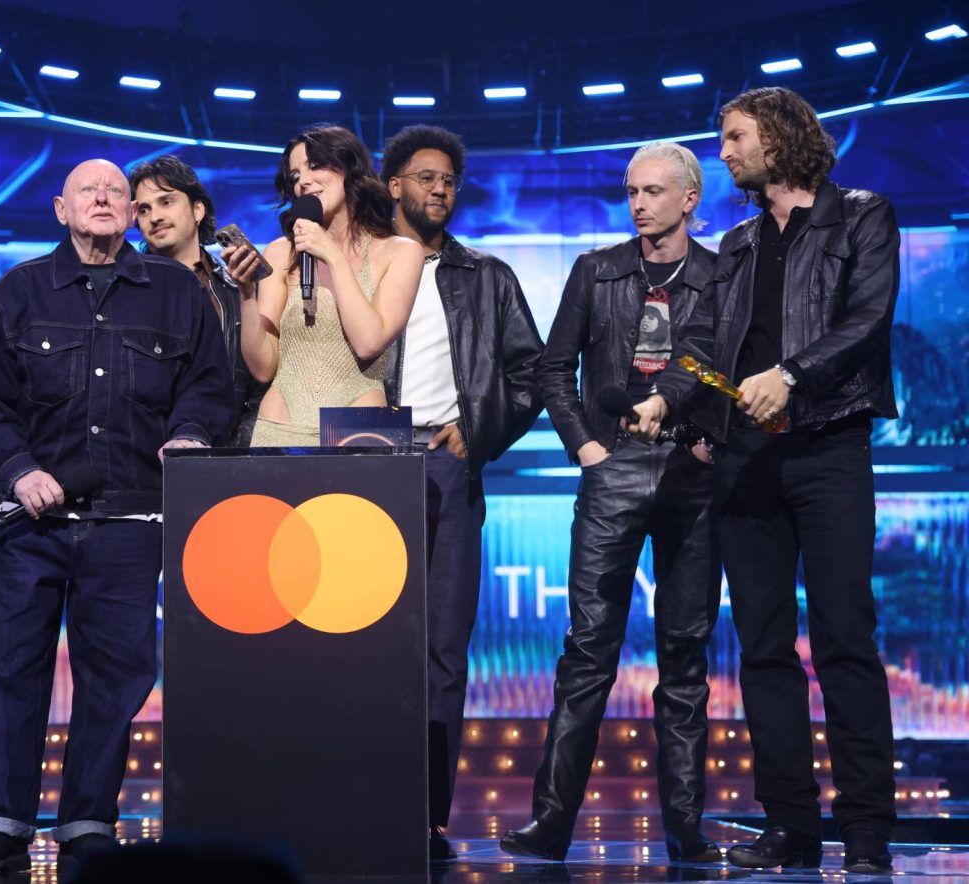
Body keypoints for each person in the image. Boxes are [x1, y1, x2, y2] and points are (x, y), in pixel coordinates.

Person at [0, 159, 234, 875]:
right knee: (6, 670)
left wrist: (190, 434)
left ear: (131, 213)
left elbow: (209, 387)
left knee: (115, 677)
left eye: (115, 192)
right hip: (29, 523)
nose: (102, 198)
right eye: (87, 190)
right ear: (60, 208)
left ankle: (86, 822)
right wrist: (20, 470)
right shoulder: (17, 291)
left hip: (131, 521)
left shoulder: (177, 293)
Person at [642, 87, 899, 875]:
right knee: (761, 649)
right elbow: (708, 346)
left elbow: (866, 321)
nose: (724, 152)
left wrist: (789, 375)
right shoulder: (740, 243)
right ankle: (791, 823)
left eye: (735, 137)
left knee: (845, 639)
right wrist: (677, 409)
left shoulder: (860, 216)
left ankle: (867, 829)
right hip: (745, 460)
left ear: (779, 138)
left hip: (829, 447)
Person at [502, 142, 722, 864]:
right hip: (614, 466)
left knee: (685, 654)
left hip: (692, 471)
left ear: (689, 198)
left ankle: (686, 829)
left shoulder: (720, 275)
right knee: (588, 651)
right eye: (631, 191)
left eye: (653, 191)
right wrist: (586, 448)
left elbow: (718, 363)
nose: (639, 204)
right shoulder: (595, 270)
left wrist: (706, 437)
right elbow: (551, 368)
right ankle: (551, 824)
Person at [377, 125, 544, 862]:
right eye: (425, 177)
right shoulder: (361, 265)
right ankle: (357, 801)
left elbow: (533, 374)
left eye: (448, 179)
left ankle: (426, 818)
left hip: (447, 466)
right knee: (365, 643)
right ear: (393, 186)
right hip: (364, 464)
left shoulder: (486, 276)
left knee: (443, 648)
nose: (440, 189)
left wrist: (477, 434)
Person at [238, 125, 421, 446]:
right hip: (280, 428)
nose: (303, 181)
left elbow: (369, 342)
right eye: (295, 176)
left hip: (360, 429)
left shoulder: (401, 252)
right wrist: (246, 294)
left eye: (314, 165)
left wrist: (332, 256)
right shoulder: (281, 252)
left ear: (348, 168)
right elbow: (263, 368)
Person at [129, 154, 266, 444]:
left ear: (197, 210)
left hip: (227, 452)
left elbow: (262, 386)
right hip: (147, 454)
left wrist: (236, 450)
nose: (155, 217)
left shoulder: (239, 287)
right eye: (143, 209)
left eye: (167, 202)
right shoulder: (125, 290)